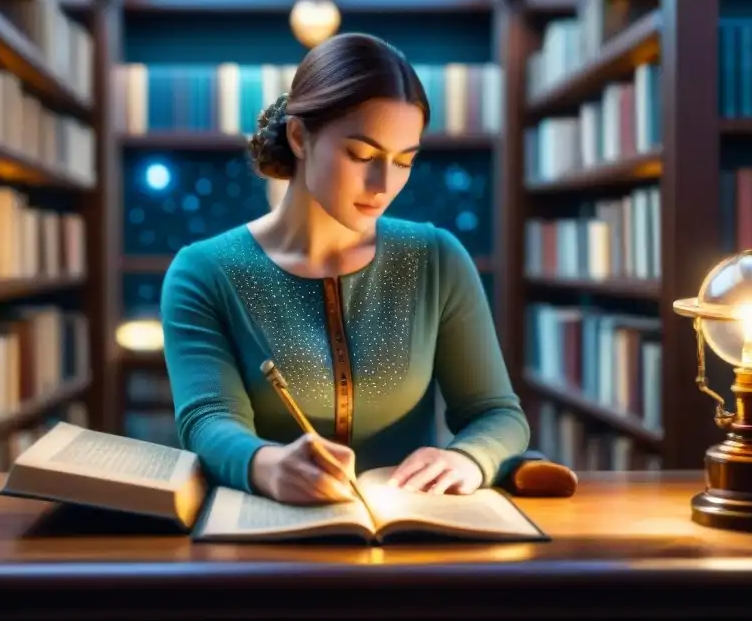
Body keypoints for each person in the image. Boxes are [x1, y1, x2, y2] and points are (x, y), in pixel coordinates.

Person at [161, 32, 531, 505]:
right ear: (299, 137)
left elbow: (497, 413)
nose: (383, 184)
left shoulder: (437, 258)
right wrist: (268, 466)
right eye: (362, 155)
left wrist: (469, 457)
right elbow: (208, 419)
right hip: (264, 535)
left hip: (411, 539)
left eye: (404, 161)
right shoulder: (205, 271)